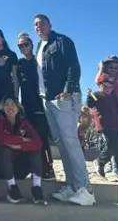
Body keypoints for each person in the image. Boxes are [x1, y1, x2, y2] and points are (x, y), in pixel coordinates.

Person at [33, 14, 95, 206]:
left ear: (50, 24)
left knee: (70, 141)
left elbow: (73, 66)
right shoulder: (39, 47)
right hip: (47, 99)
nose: (39, 27)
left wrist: (68, 89)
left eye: (42, 23)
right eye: (35, 25)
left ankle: (86, 189)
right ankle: (72, 186)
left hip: (63, 98)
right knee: (61, 142)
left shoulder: (61, 41)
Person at [16, 32, 55, 179]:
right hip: (26, 106)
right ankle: (33, 168)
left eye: (26, 44)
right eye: (20, 45)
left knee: (42, 138)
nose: (23, 47)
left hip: (41, 105)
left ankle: (48, 168)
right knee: (29, 137)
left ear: (32, 45)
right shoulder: (19, 64)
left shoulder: (39, 61)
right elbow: (17, 83)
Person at [0, 97, 46, 205]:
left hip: (21, 168)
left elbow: (38, 143)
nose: (10, 107)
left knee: (35, 151)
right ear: (2, 108)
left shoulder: (24, 123)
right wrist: (23, 140)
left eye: (13, 104)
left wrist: (20, 146)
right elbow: (2, 139)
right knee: (4, 148)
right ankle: (12, 188)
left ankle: (37, 188)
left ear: (18, 108)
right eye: (6, 104)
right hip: (3, 168)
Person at [86, 79, 118, 179]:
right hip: (104, 125)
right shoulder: (96, 95)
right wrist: (89, 96)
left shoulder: (113, 97)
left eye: (110, 87)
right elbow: (90, 104)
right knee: (110, 146)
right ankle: (99, 162)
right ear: (100, 86)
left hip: (115, 125)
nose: (107, 89)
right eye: (105, 86)